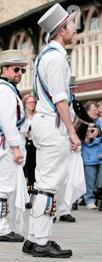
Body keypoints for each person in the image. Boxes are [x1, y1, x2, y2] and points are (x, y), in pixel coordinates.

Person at [24, 3, 79, 258]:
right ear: (61, 30)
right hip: (53, 124)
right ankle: (41, 240)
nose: (74, 29)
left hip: (43, 123)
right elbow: (60, 99)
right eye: (71, 25)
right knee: (49, 184)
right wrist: (72, 131)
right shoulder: (57, 58)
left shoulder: (44, 56)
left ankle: (34, 236)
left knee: (41, 182)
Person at [0, 50, 29, 243]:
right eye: (16, 69)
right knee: (4, 187)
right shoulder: (5, 90)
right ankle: (1, 228)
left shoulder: (7, 89)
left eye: (22, 70)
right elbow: (8, 122)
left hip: (8, 144)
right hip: (7, 147)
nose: (19, 73)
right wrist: (16, 148)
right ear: (4, 70)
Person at [81, 101, 102, 210]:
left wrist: (99, 134)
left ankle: (97, 198)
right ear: (87, 111)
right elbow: (85, 139)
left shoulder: (99, 122)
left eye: (97, 109)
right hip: (89, 156)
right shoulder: (83, 122)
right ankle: (89, 200)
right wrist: (95, 136)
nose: (96, 112)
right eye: (94, 110)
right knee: (90, 180)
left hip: (100, 155)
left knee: (98, 180)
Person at [22, 94, 37, 194]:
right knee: (24, 167)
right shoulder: (22, 116)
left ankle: (31, 188)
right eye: (29, 102)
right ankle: (22, 190)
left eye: (33, 102)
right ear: (25, 104)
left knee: (33, 166)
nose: (32, 104)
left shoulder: (37, 115)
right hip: (24, 143)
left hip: (35, 144)